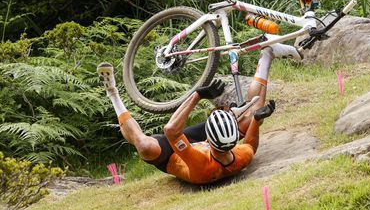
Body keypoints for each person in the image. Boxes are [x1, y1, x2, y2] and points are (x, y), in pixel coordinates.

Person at [97, 43, 301, 184]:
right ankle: (267, 55)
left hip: (175, 155)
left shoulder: (201, 164)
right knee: (252, 114)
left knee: (144, 146)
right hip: (215, 145)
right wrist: (256, 120)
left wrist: (197, 95)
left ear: (208, 141)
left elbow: (171, 131)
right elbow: (250, 145)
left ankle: (112, 93)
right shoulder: (240, 156)